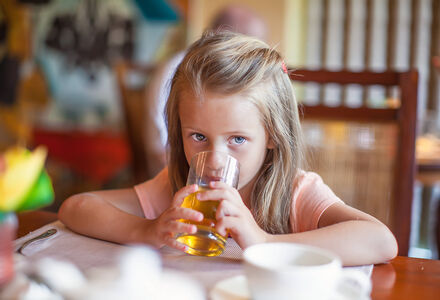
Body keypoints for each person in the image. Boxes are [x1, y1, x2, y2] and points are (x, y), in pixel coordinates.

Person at [59, 31, 398, 266]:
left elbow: (381, 241)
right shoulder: (179, 187)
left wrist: (263, 241)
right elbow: (76, 207)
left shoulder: (295, 192)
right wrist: (147, 229)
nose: (216, 161)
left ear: (273, 135)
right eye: (198, 137)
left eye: (237, 139)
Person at [143, 5, 268, 177]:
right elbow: (158, 151)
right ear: (223, 35)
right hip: (177, 173)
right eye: (250, 44)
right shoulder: (186, 73)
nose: (255, 60)